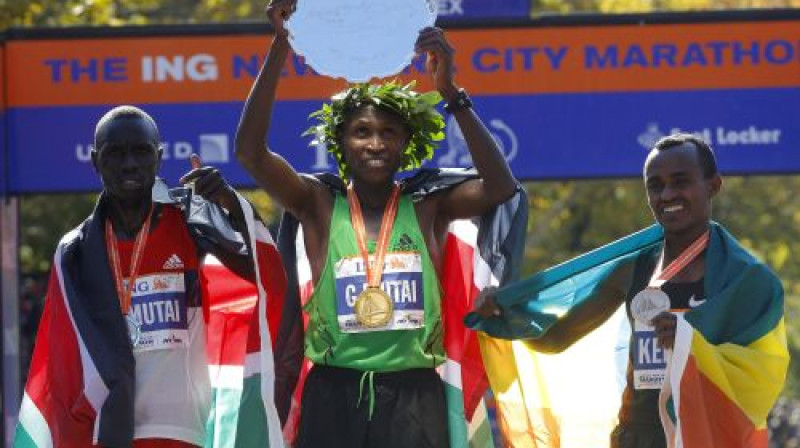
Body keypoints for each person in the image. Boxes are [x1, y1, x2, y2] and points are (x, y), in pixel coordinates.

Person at [235, 1, 520, 447]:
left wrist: (450, 91)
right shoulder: (316, 204)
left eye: (389, 132)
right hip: (333, 392)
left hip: (414, 394)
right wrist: (280, 44)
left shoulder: (429, 206)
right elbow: (250, 153)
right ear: (341, 143)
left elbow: (501, 187)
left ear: (406, 143)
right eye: (362, 132)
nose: (375, 143)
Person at [469, 133, 789, 448]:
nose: (667, 194)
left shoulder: (748, 281)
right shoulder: (633, 270)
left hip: (707, 436)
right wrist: (503, 314)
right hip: (638, 437)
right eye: (656, 185)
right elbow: (556, 338)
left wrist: (689, 343)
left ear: (713, 185)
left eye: (680, 181)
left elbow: (762, 379)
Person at [14, 105, 266, 447]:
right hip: (106, 430)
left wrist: (228, 206)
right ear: (94, 160)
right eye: (115, 153)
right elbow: (60, 359)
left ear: (159, 157)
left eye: (141, 151)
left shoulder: (193, 225)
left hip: (183, 428)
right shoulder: (74, 252)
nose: (129, 164)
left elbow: (258, 274)